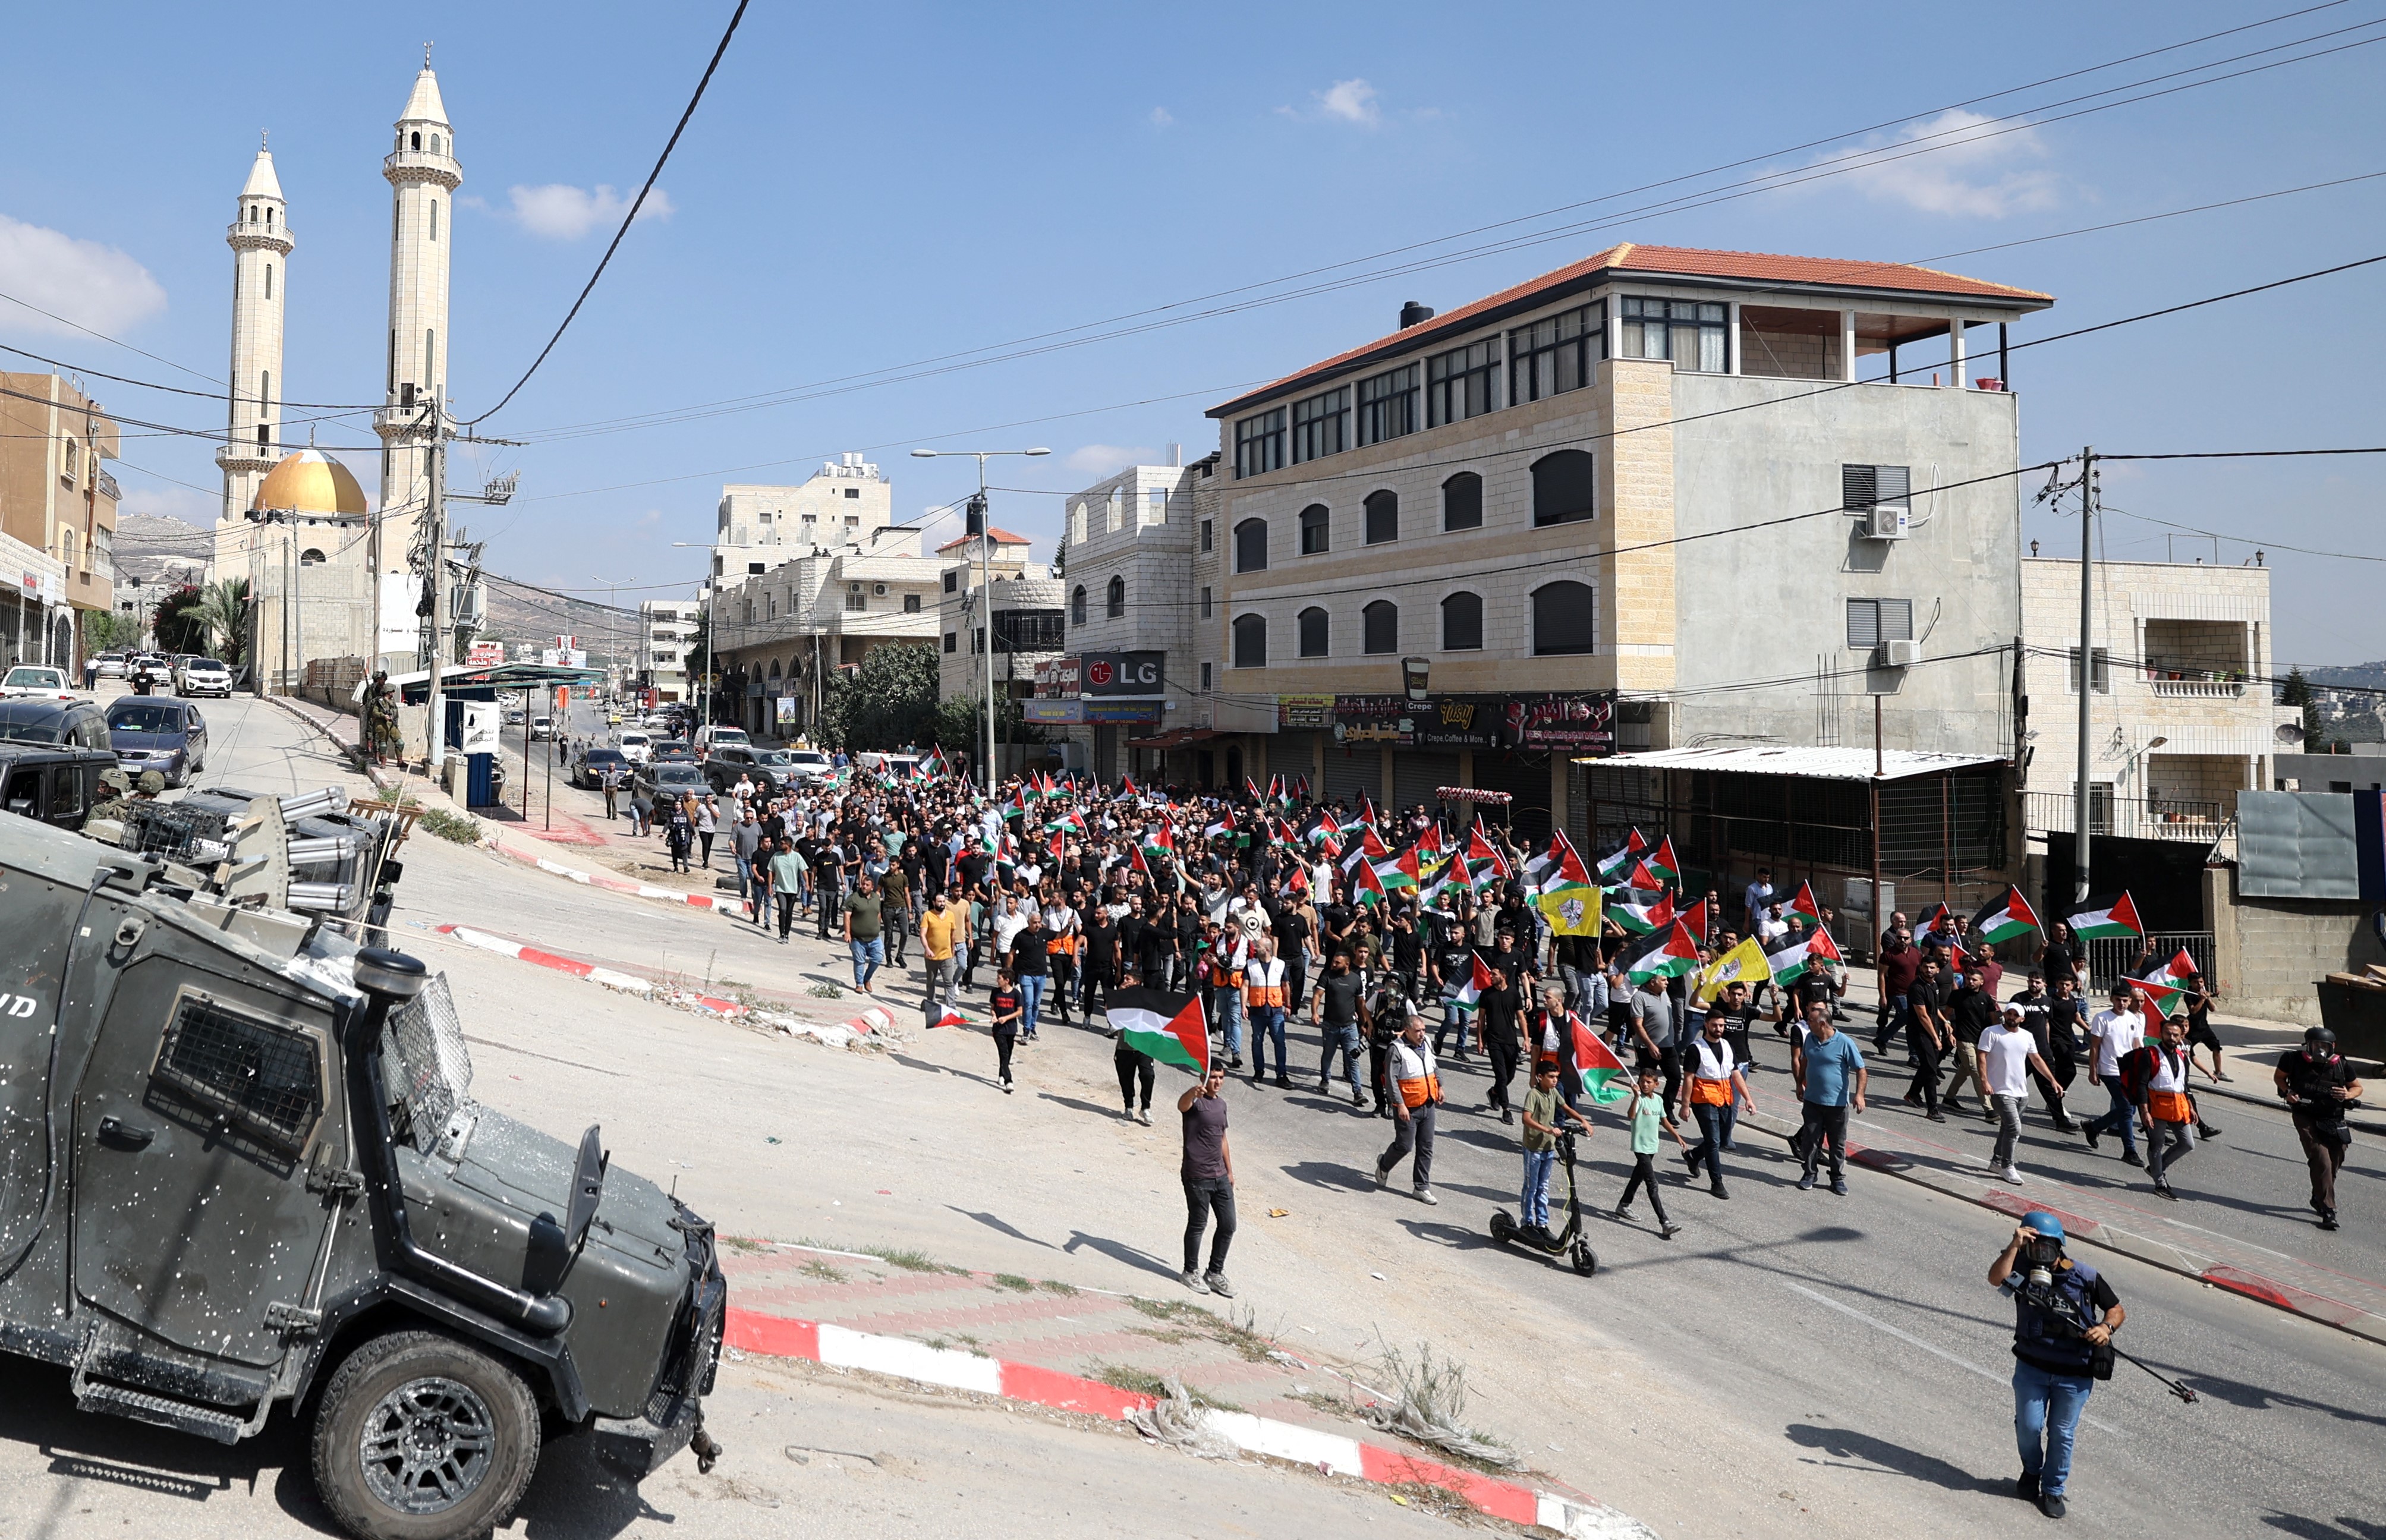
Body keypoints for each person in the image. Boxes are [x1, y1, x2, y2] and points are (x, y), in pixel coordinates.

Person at [1990, 1212, 2123, 1520]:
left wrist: (2106, 1329)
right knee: (2029, 1427)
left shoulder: (2085, 1276)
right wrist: (2014, 1246)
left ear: (2059, 1247)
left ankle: (2053, 1489)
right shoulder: (2020, 1269)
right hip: (2032, 1367)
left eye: (2046, 1248)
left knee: (2062, 1434)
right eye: (2034, 1247)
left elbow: (2116, 1309)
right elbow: (1995, 1279)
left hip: (2074, 1373)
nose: (2040, 1254)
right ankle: (2031, 1472)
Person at [2275, 1025, 2361, 1230]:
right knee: (2320, 1158)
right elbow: (2279, 1077)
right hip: (2305, 1115)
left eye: (2324, 1046)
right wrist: (2287, 1092)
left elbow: (2357, 1087)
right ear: (2308, 1046)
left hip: (2333, 1117)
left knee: (2336, 1158)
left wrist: (2348, 1095)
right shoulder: (2292, 1059)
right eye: (2316, 1045)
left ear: (2333, 1047)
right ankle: (2327, 1209)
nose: (2320, 1050)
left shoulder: (2342, 1065)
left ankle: (2318, 1196)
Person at [1793, 1002, 1866, 1194]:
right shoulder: (1810, 1039)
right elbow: (1805, 1061)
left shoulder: (1845, 1043)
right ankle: (1809, 1174)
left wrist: (1859, 1095)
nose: (1807, 1023)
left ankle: (1837, 1179)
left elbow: (1861, 1069)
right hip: (1812, 1101)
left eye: (1811, 1021)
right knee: (1810, 1140)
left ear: (1823, 1024)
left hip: (1837, 1105)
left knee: (1837, 1144)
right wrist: (1799, 1083)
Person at [1678, 1010, 1751, 1200]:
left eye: (1721, 1025)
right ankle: (1717, 1183)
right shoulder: (1696, 1049)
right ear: (1706, 1024)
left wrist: (1748, 1098)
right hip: (1703, 1100)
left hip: (1725, 1098)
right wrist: (1685, 1105)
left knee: (1721, 1139)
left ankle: (1694, 1156)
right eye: (1715, 1025)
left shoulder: (1727, 1046)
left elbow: (1735, 1074)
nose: (1719, 1029)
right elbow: (1689, 1078)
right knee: (1713, 1141)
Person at [1519, 1061, 1595, 1241]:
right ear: (1540, 1077)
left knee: (1543, 1187)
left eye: (1556, 1077)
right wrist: (1547, 1129)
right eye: (1551, 1077)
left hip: (1548, 1148)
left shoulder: (1553, 1093)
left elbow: (1566, 1108)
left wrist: (1583, 1121)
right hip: (1534, 1148)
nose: (1555, 1080)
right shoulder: (1534, 1095)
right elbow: (1526, 1119)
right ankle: (1527, 1223)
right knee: (1531, 1187)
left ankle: (1542, 1223)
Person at [1981, 1004, 2057, 1185]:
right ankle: (2008, 1166)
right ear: (2005, 1014)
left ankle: (1996, 1161)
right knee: (2015, 1129)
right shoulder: (1991, 1032)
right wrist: (1984, 1081)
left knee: (2007, 1128)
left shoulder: (2027, 1036)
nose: (2012, 1017)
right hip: (2000, 1091)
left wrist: (2052, 1080)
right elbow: (1982, 1056)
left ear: (2022, 1019)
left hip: (2021, 1093)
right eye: (2009, 1013)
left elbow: (2036, 1059)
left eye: (2016, 1015)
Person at [1373, 1013, 1444, 1205]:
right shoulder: (1396, 1050)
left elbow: (1433, 1065)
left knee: (1426, 1147)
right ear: (1407, 1031)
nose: (1422, 1034)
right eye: (1418, 1031)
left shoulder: (1426, 1042)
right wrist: (1400, 1104)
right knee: (1404, 1146)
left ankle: (1421, 1187)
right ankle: (1384, 1165)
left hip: (1428, 1103)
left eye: (1424, 1030)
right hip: (1408, 1107)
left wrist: (1440, 1086)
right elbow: (1391, 1080)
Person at [1178, 1063, 1236, 1296]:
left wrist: (1229, 1171)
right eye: (1213, 1077)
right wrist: (1192, 1092)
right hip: (1197, 1175)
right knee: (1198, 1224)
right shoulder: (1195, 1102)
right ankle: (1190, 1271)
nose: (1217, 1081)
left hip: (1220, 1175)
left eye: (1220, 1077)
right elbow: (1182, 1105)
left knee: (1229, 1225)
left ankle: (1214, 1273)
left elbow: (1222, 1139)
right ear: (1203, 1077)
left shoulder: (1221, 1105)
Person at [2124, 1015, 2198, 1200]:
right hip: (2156, 1107)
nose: (2171, 1038)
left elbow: (2184, 1084)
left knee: (2187, 1144)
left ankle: (2156, 1168)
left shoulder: (2182, 1056)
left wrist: (2191, 1107)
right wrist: (2144, 1112)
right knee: (2156, 1145)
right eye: (2168, 1034)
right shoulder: (2150, 1054)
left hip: (2178, 1106)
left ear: (2181, 1037)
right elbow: (2142, 1084)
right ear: (2161, 1034)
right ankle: (2160, 1183)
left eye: (2175, 1035)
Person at [2080, 985, 2146, 1167]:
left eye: (2125, 1001)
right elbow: (2095, 1047)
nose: (2121, 1004)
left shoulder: (2133, 1018)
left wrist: (2143, 1067)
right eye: (2118, 1000)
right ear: (2111, 999)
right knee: (2126, 1108)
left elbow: (2136, 1044)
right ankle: (2130, 1151)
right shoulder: (2102, 1018)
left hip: (2129, 1070)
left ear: (2129, 1002)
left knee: (2129, 1108)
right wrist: (2093, 1071)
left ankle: (2094, 1127)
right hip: (2109, 1069)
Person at [1613, 1067, 1681, 1238]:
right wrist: (1636, 1097)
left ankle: (1623, 1205)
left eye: (1648, 1082)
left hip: (1652, 1146)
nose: (1644, 1084)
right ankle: (1665, 1222)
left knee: (1638, 1177)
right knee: (1652, 1183)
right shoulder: (1639, 1100)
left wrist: (1677, 1137)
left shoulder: (1658, 1100)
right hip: (1640, 1147)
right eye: (1642, 1081)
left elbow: (1664, 1121)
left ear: (1656, 1084)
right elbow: (1631, 1116)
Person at [1312, 950, 1367, 1106]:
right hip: (1330, 1026)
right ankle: (1325, 1080)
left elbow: (1360, 1003)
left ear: (1347, 964)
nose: (1334, 964)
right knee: (1328, 1055)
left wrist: (1365, 1023)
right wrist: (1315, 1012)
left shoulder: (1355, 980)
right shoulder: (1327, 976)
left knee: (1353, 1059)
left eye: (1338, 962)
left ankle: (1358, 1092)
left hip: (1350, 1027)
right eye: (1334, 961)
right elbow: (1317, 995)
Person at [1242, 937, 1291, 1088]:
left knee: (1279, 1042)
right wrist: (1243, 1005)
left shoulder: (1280, 964)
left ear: (1268, 950)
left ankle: (1282, 1075)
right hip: (1257, 1010)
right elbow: (1245, 986)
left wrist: (1288, 1005)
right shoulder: (1250, 965)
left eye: (1258, 947)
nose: (1255, 949)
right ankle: (1259, 1071)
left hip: (1275, 1010)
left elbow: (1285, 985)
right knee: (1257, 1041)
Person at [921, 890, 966, 1026]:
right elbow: (923, 935)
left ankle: (951, 1008)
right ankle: (931, 1004)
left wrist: (952, 950)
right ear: (934, 902)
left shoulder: (950, 915)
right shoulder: (928, 915)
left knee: (949, 982)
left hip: (946, 955)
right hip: (931, 957)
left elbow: (953, 934)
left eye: (943, 901)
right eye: (939, 901)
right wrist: (927, 949)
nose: (942, 904)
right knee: (931, 982)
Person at [1008, 908, 1050, 1041]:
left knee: (1036, 1003)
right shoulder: (1021, 936)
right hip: (1026, 975)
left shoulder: (1044, 933)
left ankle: (1033, 1028)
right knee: (1028, 1003)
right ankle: (1026, 1029)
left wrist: (1069, 925)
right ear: (1029, 923)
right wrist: (1008, 971)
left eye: (1039, 922)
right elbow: (1011, 953)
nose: (1038, 925)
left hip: (1041, 975)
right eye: (1035, 923)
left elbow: (1060, 935)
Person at [844, 873, 886, 994]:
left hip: (875, 938)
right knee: (859, 961)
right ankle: (859, 984)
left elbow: (878, 913)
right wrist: (847, 933)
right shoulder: (853, 898)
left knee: (878, 958)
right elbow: (847, 916)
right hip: (858, 938)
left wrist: (877, 927)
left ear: (872, 887)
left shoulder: (876, 898)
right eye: (863, 884)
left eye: (867, 885)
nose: (864, 887)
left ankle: (867, 979)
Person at [987, 967, 1023, 1092]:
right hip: (998, 1030)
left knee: (1008, 1053)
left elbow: (1020, 1011)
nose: (997, 980)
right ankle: (1009, 1081)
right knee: (1004, 1053)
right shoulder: (995, 992)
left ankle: (1001, 1074)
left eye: (999, 978)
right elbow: (992, 1009)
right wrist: (994, 1016)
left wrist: (1006, 1018)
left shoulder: (1016, 994)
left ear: (1007, 981)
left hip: (1011, 1028)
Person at [769, 838, 805, 943]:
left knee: (789, 912)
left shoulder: (797, 856)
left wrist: (807, 883)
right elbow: (771, 871)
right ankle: (781, 934)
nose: (779, 845)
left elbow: (804, 870)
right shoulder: (776, 856)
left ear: (788, 845)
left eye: (782, 843)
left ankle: (787, 934)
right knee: (783, 910)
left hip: (792, 889)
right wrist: (770, 886)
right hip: (780, 888)